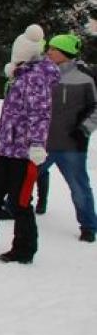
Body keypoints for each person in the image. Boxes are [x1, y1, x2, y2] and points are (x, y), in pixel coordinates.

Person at [0, 25, 61, 263]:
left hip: (23, 152)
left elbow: (40, 114)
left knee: (19, 201)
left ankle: (24, 248)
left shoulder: (36, 78)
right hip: (6, 147)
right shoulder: (20, 76)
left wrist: (37, 144)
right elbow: (10, 113)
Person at [34, 34, 97, 242]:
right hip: (42, 142)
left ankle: (88, 226)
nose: (49, 52)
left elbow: (96, 108)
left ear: (66, 53)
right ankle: (11, 206)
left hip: (72, 145)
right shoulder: (41, 72)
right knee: (24, 177)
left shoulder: (86, 77)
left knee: (79, 186)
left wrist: (84, 130)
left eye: (54, 49)